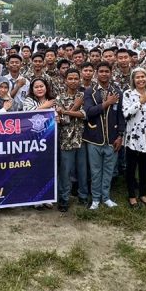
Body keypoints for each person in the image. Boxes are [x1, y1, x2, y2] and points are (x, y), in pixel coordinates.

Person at [82, 62, 125, 210]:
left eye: (107, 71)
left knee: (109, 170)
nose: (104, 74)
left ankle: (105, 197)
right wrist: (107, 103)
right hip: (94, 138)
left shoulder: (117, 92)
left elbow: (120, 116)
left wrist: (120, 136)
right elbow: (88, 112)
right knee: (95, 171)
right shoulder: (89, 91)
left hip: (112, 139)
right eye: (101, 71)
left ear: (111, 73)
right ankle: (95, 199)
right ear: (96, 73)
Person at [121, 67, 146, 209]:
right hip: (133, 136)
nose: (141, 79)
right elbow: (126, 114)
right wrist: (140, 101)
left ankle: (143, 193)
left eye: (143, 77)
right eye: (137, 77)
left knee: (144, 167)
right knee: (131, 167)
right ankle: (131, 195)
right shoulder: (128, 94)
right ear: (133, 80)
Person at [55, 68, 86, 211]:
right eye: (70, 78)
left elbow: (84, 115)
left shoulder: (85, 96)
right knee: (65, 171)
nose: (73, 81)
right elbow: (63, 121)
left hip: (82, 139)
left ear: (79, 79)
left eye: (75, 78)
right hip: (66, 140)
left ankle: (83, 196)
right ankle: (64, 198)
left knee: (82, 170)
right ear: (65, 80)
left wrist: (66, 111)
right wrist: (74, 109)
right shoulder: (59, 98)